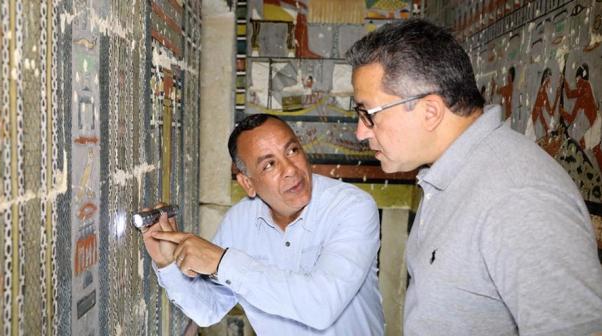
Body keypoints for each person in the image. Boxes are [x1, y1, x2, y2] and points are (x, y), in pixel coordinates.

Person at [345, 19, 602, 335]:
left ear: (430, 112)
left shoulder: (517, 197)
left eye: (367, 114)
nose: (360, 132)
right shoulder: (449, 174)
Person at [141, 114, 384, 335]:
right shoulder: (240, 223)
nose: (290, 170)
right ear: (248, 183)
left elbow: (321, 306)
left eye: (292, 151)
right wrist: (168, 264)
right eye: (269, 164)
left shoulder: (351, 207)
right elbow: (209, 310)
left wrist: (223, 262)